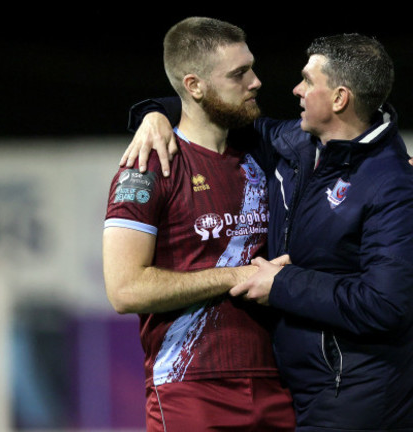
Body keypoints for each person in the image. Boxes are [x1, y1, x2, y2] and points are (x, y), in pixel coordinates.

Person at [123, 32, 413, 431]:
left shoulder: (397, 186)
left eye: (308, 80)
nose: (295, 89)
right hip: (302, 392)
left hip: (362, 399)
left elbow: (387, 306)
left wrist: (283, 284)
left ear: (340, 98)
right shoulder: (297, 146)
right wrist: (154, 114)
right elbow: (214, 111)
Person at [102, 17, 296, 431]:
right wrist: (235, 276)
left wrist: (400, 176)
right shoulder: (148, 166)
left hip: (279, 385)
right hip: (190, 387)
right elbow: (124, 289)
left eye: (252, 67)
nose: (257, 81)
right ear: (194, 86)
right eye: (239, 73)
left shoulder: (268, 156)